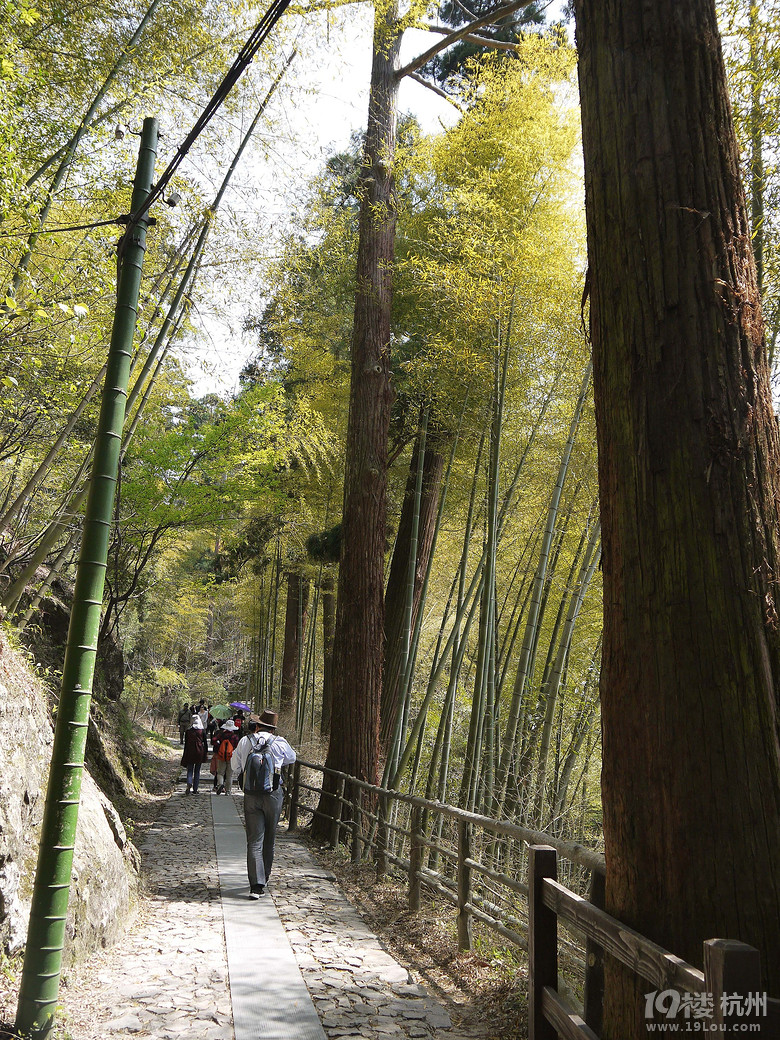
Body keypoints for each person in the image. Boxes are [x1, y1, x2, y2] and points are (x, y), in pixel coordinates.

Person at [232, 709, 296, 899]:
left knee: (254, 840)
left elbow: (235, 766)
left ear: (257, 725)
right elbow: (292, 758)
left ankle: (256, 885)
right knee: (270, 837)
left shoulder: (245, 741)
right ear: (273, 729)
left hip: (251, 794)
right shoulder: (279, 742)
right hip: (273, 794)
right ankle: (265, 877)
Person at [181, 714, 208, 793]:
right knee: (197, 771)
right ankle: (195, 789)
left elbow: (186, 743)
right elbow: (205, 743)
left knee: (190, 770)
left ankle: (189, 783)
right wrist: (205, 752)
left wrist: (185, 753)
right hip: (199, 751)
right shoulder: (202, 731)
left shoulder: (188, 731)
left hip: (190, 751)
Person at [212, 719, 239, 795]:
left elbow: (213, 740)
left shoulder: (221, 735)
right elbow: (237, 747)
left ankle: (220, 784)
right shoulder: (234, 737)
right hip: (231, 756)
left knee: (220, 772)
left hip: (221, 756)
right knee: (229, 774)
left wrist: (219, 746)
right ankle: (228, 791)